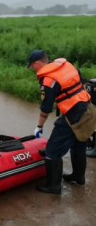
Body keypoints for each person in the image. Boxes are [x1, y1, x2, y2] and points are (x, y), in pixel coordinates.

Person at [27, 49, 96, 195]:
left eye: (32, 66)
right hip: (87, 109)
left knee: (52, 149)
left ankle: (53, 186)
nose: (33, 69)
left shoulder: (48, 80)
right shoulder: (66, 66)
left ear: (37, 63)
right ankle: (78, 177)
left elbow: (46, 109)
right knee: (78, 143)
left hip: (74, 114)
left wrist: (39, 127)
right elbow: (82, 83)